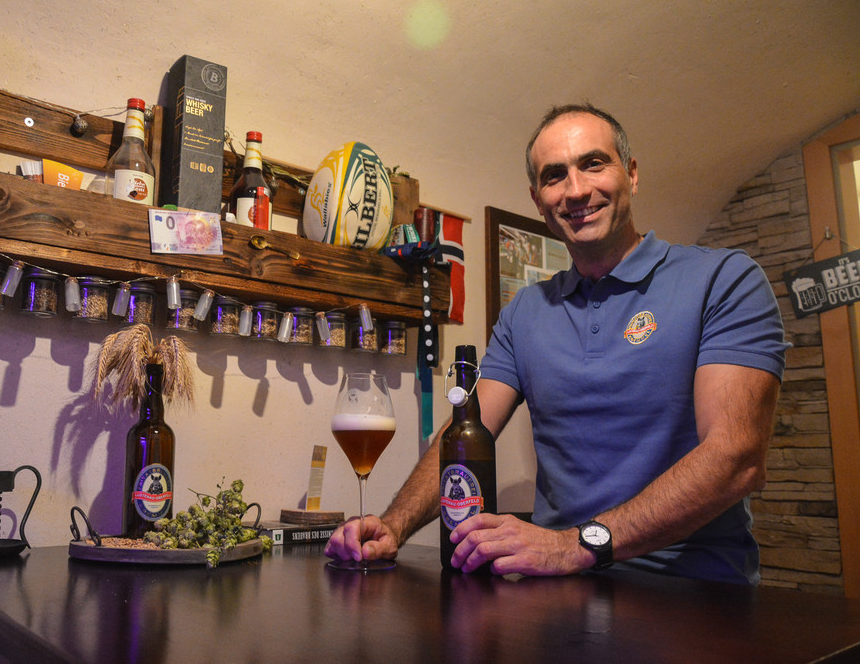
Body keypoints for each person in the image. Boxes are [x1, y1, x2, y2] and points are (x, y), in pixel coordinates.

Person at [324, 103, 788, 585]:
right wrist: (393, 526)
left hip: (693, 594)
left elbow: (736, 459)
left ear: (631, 174)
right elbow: (465, 429)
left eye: (594, 163)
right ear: (538, 199)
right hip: (557, 590)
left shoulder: (724, 280)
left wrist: (574, 546)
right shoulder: (525, 312)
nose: (577, 190)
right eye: (554, 176)